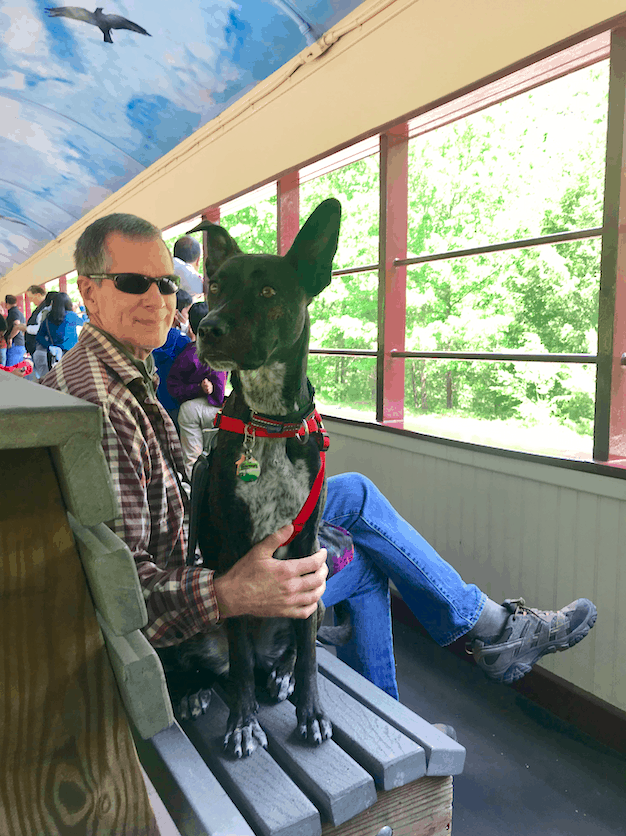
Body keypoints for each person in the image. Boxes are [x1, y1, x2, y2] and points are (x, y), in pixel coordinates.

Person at [41, 213, 597, 702]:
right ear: (88, 293)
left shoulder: (114, 372)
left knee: (351, 497)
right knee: (367, 555)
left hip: (201, 553)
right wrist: (231, 590)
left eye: (166, 283)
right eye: (134, 282)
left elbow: (156, 508)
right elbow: (119, 593)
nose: (158, 298)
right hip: (198, 623)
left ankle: (467, 645)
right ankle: (473, 646)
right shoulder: (101, 406)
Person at [166, 301, 228, 477]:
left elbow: (173, 386)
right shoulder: (197, 353)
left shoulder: (188, 353)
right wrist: (199, 389)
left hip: (209, 409)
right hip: (212, 408)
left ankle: (194, 481)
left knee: (187, 414)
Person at [152, 289, 192, 425]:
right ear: (176, 314)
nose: (188, 318)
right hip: (176, 404)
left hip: (155, 402)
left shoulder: (151, 338)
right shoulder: (183, 342)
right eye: (187, 312)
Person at [34, 292, 85, 378]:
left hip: (54, 356)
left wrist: (49, 346)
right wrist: (82, 308)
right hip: (72, 355)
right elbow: (85, 322)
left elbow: (39, 337)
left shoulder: (48, 319)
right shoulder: (72, 316)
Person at [4, 294, 26, 367]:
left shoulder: (13, 312)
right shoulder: (19, 313)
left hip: (14, 344)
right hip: (19, 344)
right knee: (18, 370)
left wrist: (10, 337)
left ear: (6, 304)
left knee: (11, 370)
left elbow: (17, 324)